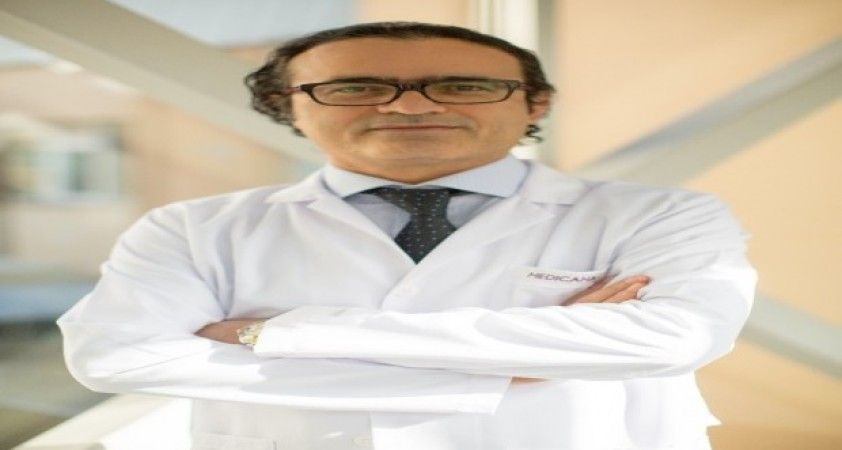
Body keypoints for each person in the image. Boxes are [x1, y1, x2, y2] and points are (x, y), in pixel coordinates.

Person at [58, 22, 757, 450]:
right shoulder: (190, 227)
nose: (412, 105)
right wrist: (512, 364)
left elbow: (671, 340)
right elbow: (117, 358)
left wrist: (281, 332)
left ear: (535, 103)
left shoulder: (664, 214)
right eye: (355, 87)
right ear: (285, 106)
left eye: (464, 86)